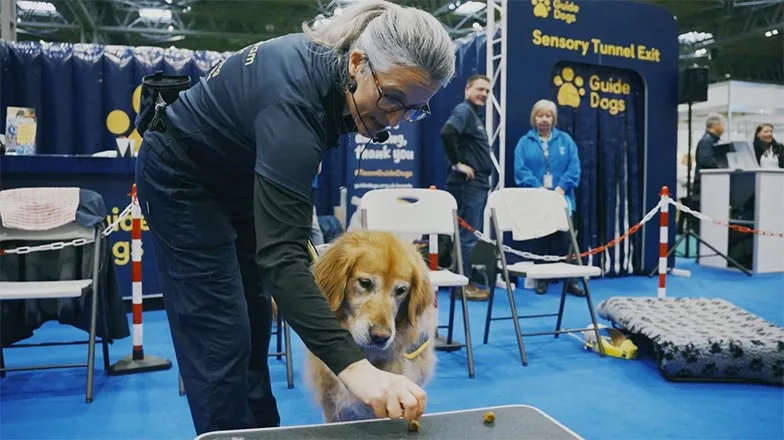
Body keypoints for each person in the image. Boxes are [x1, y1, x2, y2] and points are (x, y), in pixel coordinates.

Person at [133, 1, 455, 435]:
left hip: (238, 176)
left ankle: (264, 431)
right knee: (220, 337)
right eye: (393, 99)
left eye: (414, 109)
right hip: (182, 177)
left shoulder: (339, 78)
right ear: (358, 64)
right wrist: (358, 371)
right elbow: (282, 260)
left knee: (252, 323)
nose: (395, 120)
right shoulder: (296, 101)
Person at [513, 99, 583, 296]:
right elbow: (520, 170)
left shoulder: (566, 141)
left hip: (562, 199)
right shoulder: (524, 143)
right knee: (541, 241)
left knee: (566, 242)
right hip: (537, 200)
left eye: (548, 116)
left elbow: (574, 167)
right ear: (534, 118)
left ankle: (572, 281)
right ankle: (541, 280)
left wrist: (561, 188)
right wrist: (538, 189)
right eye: (540, 115)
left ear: (554, 119)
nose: (544, 119)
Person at [440, 74, 493, 300]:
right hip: (469, 185)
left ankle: (460, 282)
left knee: (465, 235)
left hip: (475, 184)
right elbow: (447, 132)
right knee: (468, 236)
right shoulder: (464, 111)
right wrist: (457, 163)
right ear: (467, 89)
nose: (484, 94)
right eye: (480, 89)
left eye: (487, 91)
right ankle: (462, 286)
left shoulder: (472, 114)